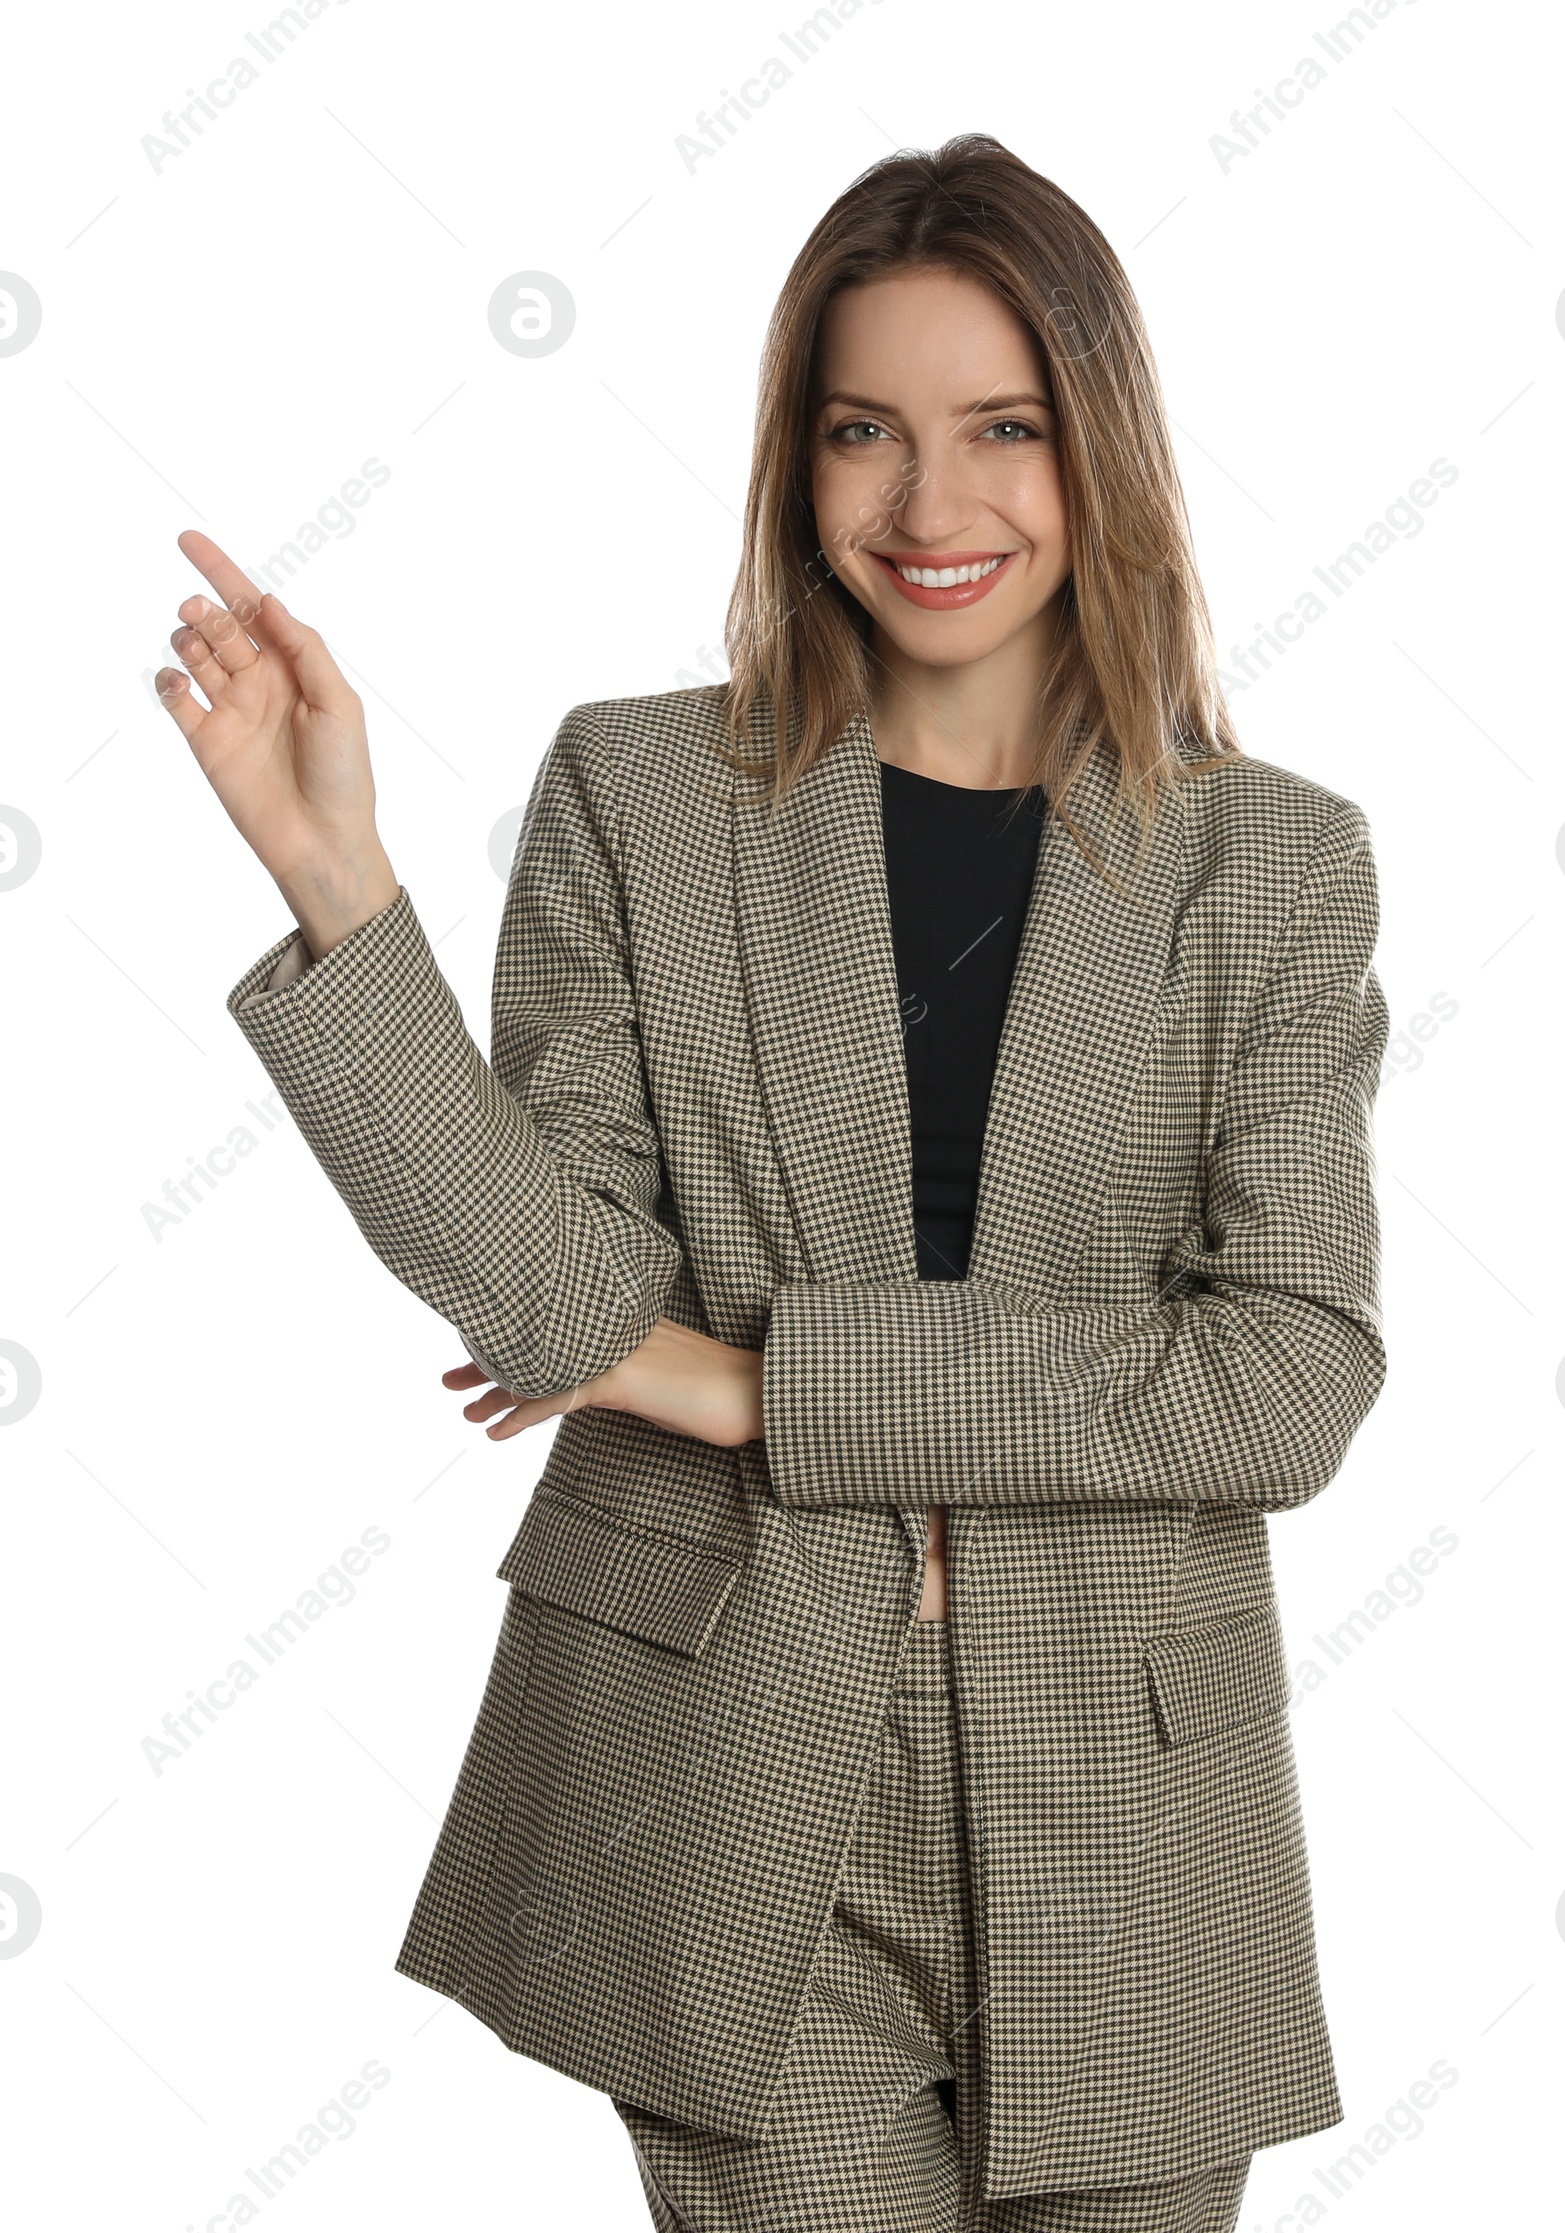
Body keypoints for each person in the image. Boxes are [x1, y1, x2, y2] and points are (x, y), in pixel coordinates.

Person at [156, 133, 1387, 2233]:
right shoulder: (639, 791)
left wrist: (751, 1385)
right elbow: (554, 1308)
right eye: (860, 433)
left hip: (1126, 1794)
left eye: (1000, 429)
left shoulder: (1265, 862)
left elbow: (1281, 1380)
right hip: (724, 1761)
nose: (929, 506)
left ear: (1095, 453)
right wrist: (336, 878)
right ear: (793, 461)